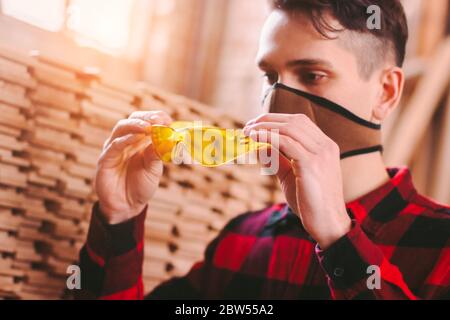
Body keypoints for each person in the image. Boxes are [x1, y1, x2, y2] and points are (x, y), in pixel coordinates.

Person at [77, 0, 449, 300]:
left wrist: (338, 238)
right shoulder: (241, 239)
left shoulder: (442, 247)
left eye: (312, 75)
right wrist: (120, 219)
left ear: (386, 93)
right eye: (270, 77)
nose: (276, 99)